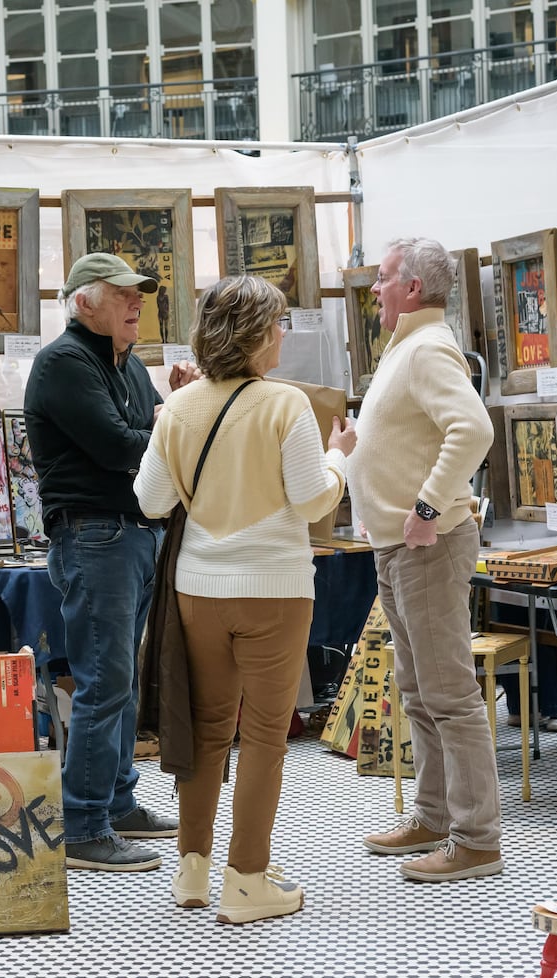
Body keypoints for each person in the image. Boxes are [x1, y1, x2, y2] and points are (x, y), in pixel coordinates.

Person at [134, 275, 354, 922]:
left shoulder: (176, 409)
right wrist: (342, 457)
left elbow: (150, 501)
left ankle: (192, 868)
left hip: (197, 589)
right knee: (263, 737)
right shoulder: (286, 405)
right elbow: (314, 498)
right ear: (258, 334)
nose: (283, 333)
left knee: (205, 731)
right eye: (278, 323)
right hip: (276, 592)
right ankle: (247, 877)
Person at [23, 252, 198, 872]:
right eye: (122, 293)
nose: (137, 302)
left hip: (125, 535)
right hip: (95, 537)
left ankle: (116, 802)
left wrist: (166, 410)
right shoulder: (65, 362)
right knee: (105, 684)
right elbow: (125, 446)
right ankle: (84, 824)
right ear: (82, 303)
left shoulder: (123, 364)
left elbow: (151, 433)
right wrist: (163, 418)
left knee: (117, 681)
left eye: (140, 293)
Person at [349, 237, 503, 883]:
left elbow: (475, 429)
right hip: (402, 547)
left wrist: (430, 508)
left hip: (427, 546)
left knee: (448, 694)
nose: (375, 290)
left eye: (383, 279)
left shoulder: (428, 347)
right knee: (419, 691)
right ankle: (437, 815)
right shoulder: (407, 348)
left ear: (413, 288)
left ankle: (477, 840)